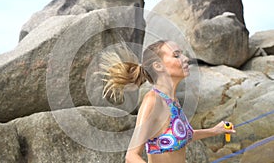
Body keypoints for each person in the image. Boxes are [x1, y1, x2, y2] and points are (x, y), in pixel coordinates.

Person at [100, 40, 236, 163]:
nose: (185, 59)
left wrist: (215, 130)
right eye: (176, 55)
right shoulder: (153, 101)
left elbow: (182, 135)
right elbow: (131, 156)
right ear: (158, 66)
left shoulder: (172, 101)